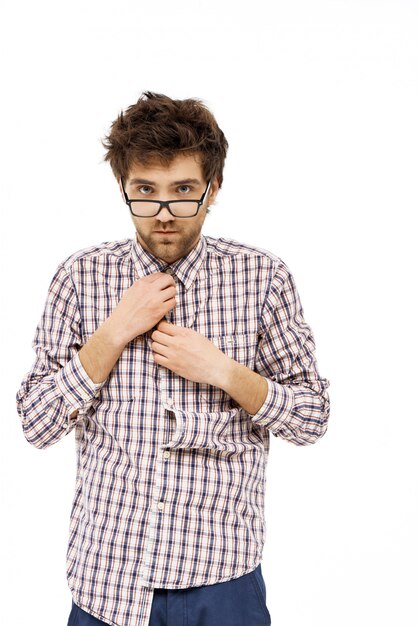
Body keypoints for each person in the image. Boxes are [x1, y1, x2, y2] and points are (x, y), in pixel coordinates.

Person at [16, 91, 331, 626]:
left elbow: (311, 417)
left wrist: (224, 372)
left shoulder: (262, 279)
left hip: (223, 580)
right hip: (107, 582)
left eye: (183, 190)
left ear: (213, 190)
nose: (164, 213)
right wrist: (112, 334)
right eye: (145, 191)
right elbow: (35, 424)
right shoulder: (79, 278)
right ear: (123, 188)